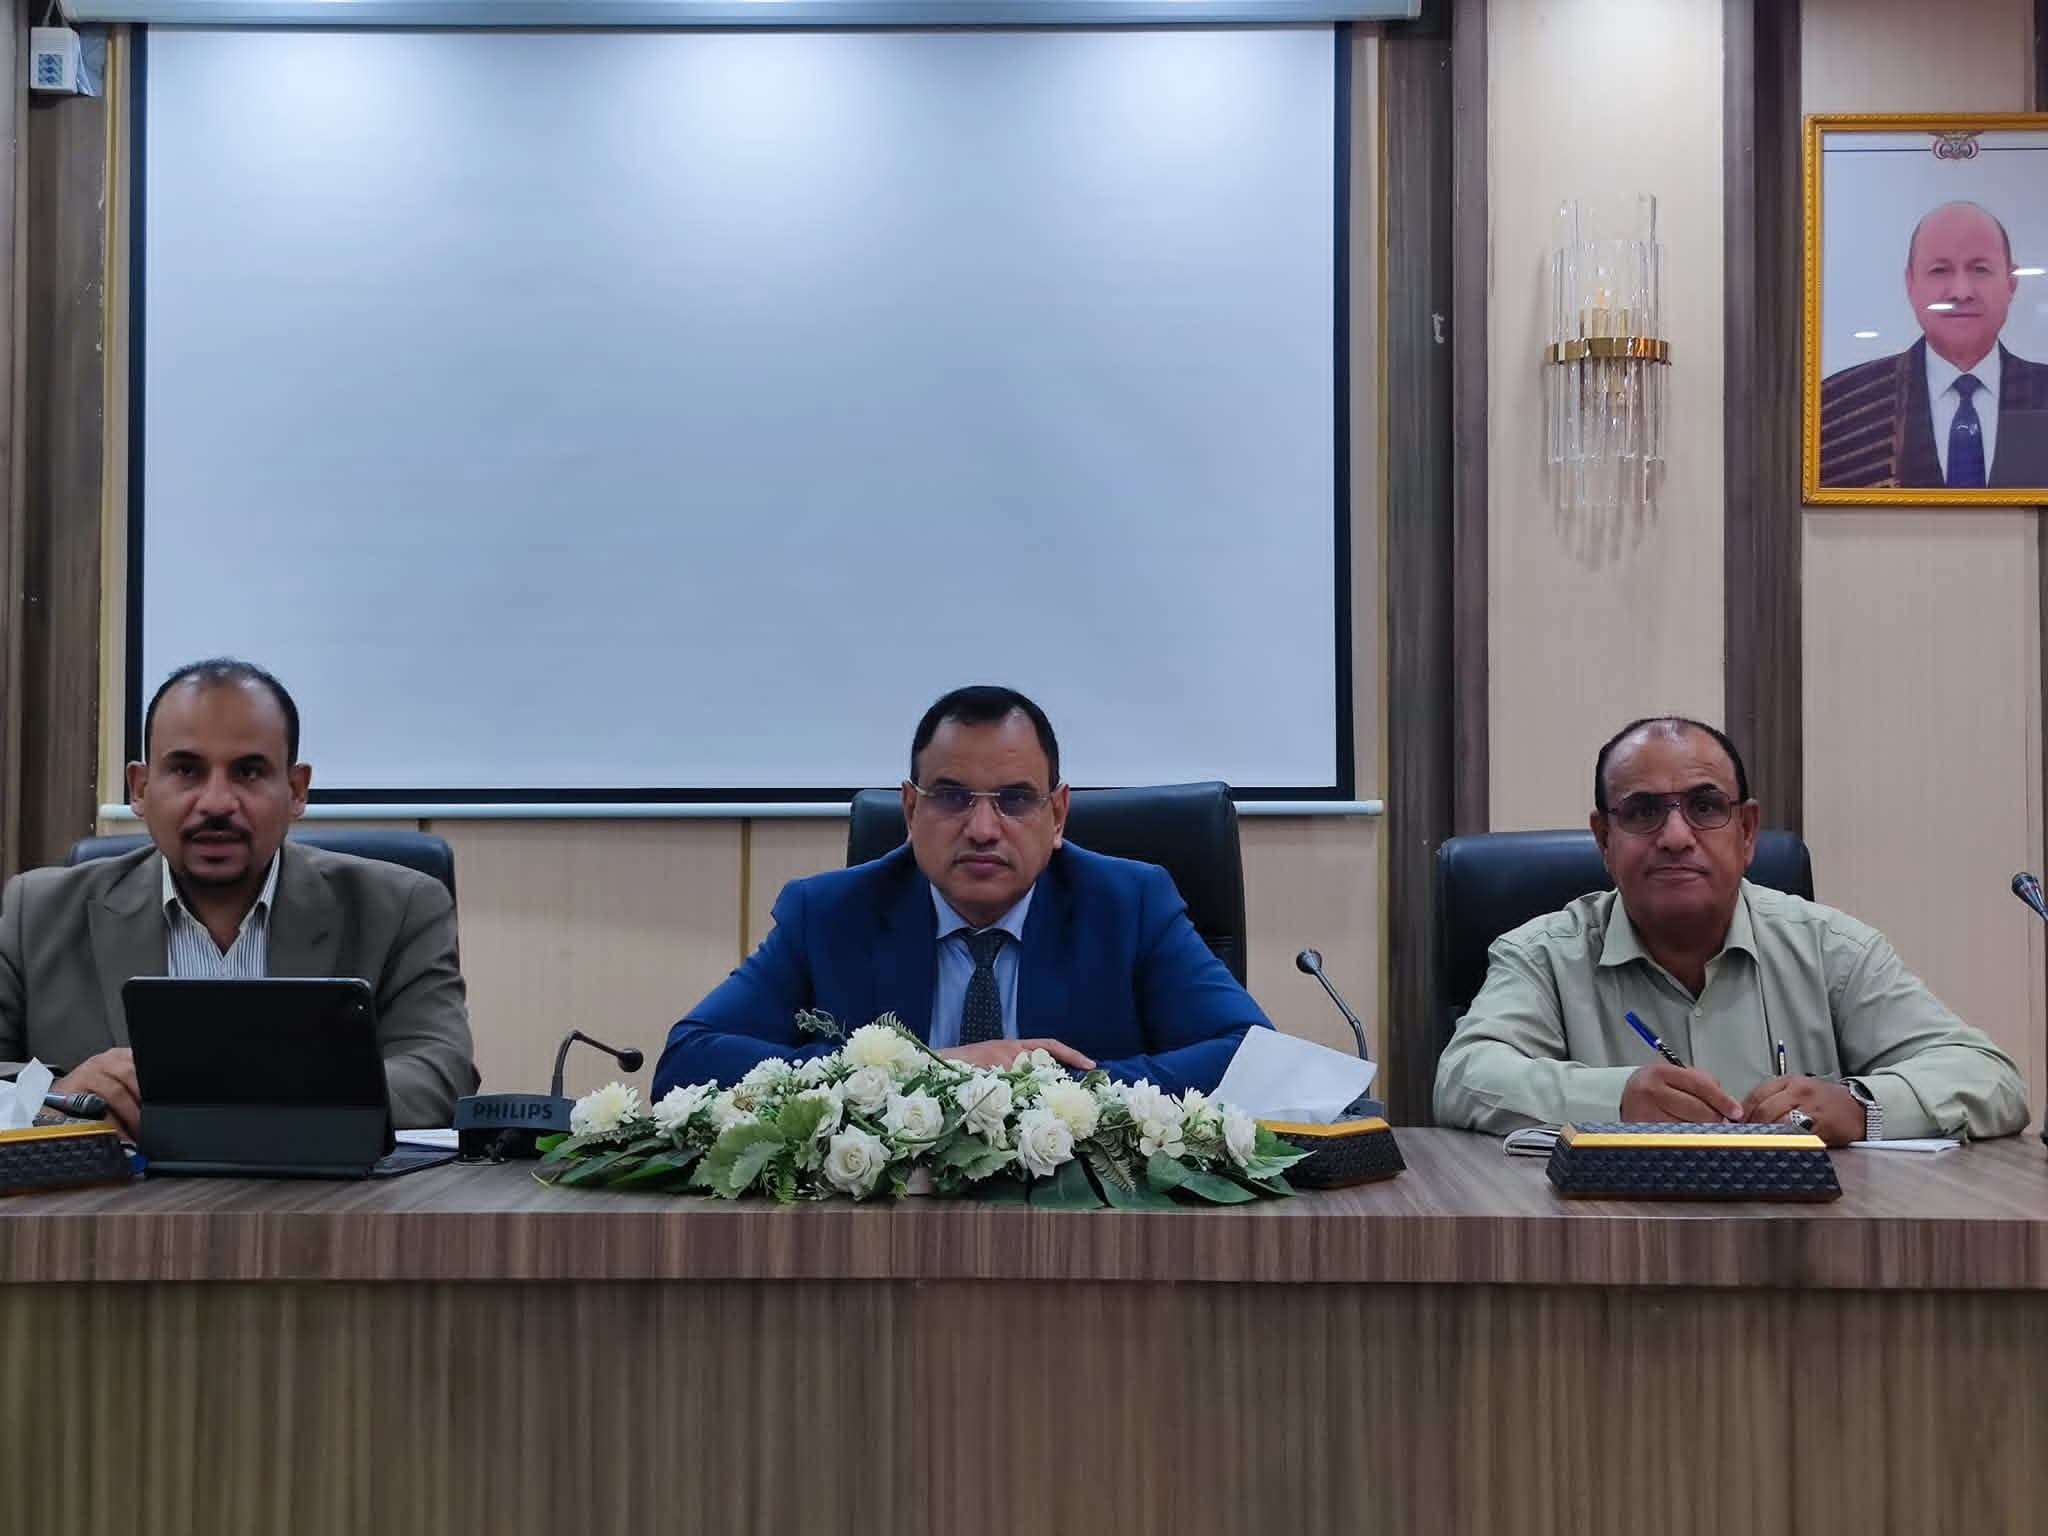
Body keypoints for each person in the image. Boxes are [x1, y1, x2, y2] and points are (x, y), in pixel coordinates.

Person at [1434, 715, 2028, 1144]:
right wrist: (1614, 1100)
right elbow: (1464, 1078)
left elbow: (1989, 1078)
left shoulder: (1831, 948)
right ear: (1604, 839)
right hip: (1608, 1242)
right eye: (1643, 811)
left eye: (1705, 807)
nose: (1675, 837)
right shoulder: (1541, 954)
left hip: (1805, 1248)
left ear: (1746, 832)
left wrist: (1862, 1108)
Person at [654, 685, 1272, 1097]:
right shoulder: (827, 915)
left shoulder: (1130, 906)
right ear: (910, 809)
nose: (982, 829)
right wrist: (925, 1072)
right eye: (951, 797)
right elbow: (688, 1061)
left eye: (1015, 800)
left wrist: (1047, 1088)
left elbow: (1254, 1059)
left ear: (1058, 814)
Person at [0, 659, 478, 1133]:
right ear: (140, 789)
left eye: (248, 772)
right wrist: (56, 1098)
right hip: (116, 1184)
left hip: (312, 1182)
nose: (216, 803)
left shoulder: (400, 908)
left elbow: (441, 1074)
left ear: (295, 790)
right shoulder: (34, 912)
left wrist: (263, 1092)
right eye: (186, 770)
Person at [1820, 200, 2048, 489]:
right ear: (1910, 283)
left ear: (2010, 284)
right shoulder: (1842, 405)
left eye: (1980, 269)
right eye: (1940, 270)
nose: (1961, 292)